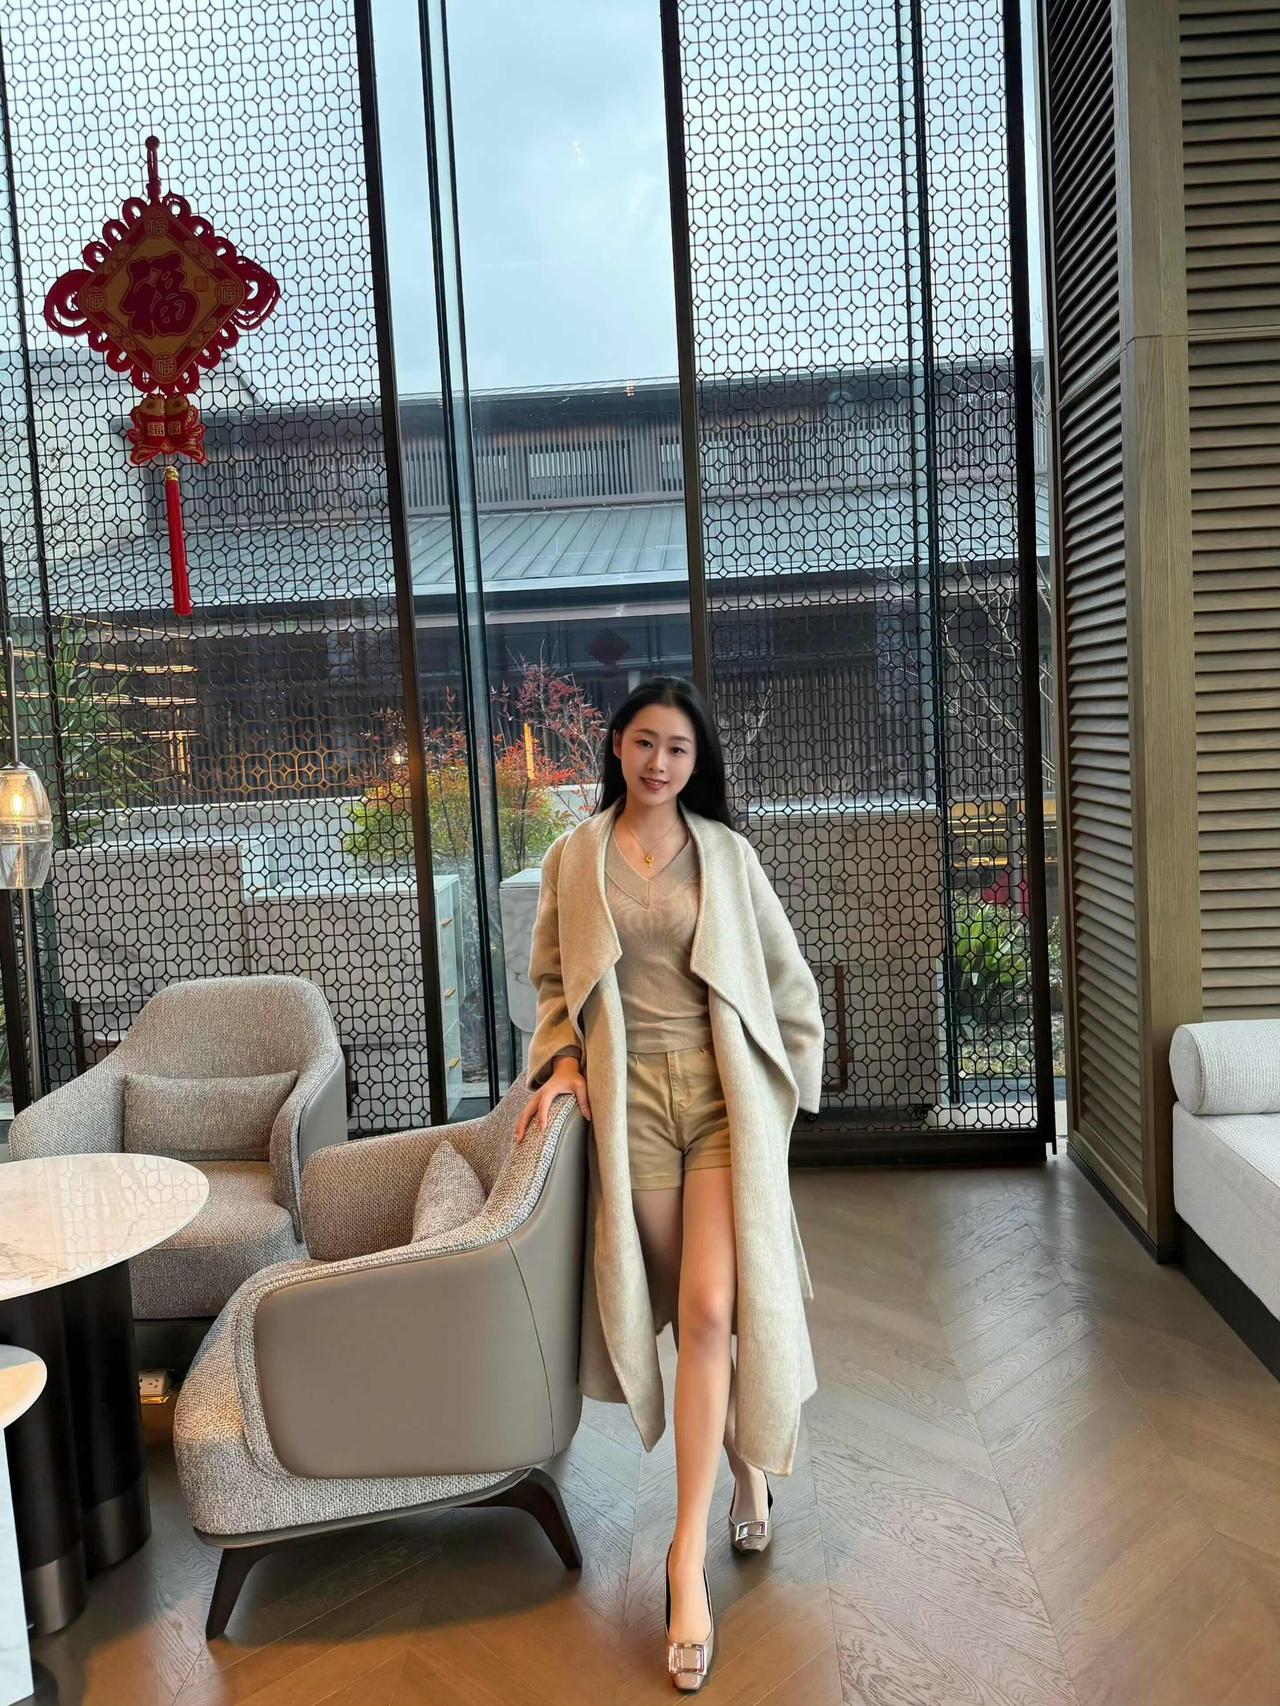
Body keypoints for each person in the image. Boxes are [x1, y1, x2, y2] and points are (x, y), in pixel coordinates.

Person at [514, 675, 825, 1693]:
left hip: (721, 1099)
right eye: (645, 741)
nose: (659, 762)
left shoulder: (727, 855)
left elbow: (785, 978)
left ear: (697, 762)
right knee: (673, 1304)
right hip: (630, 1104)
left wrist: (785, 1093)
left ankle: (683, 1560)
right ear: (617, 745)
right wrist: (563, 1061)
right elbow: (552, 983)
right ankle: (741, 1463)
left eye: (679, 748)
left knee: (710, 1310)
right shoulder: (574, 857)